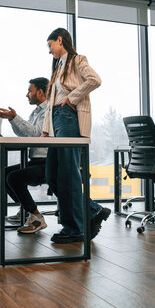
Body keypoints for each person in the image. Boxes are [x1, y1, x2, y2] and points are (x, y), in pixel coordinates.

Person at [43, 28, 111, 244]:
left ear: (60, 40)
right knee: (52, 175)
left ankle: (73, 228)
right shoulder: (56, 68)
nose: (49, 50)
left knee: (68, 174)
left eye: (50, 45)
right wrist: (46, 128)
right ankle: (92, 209)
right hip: (55, 120)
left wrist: (72, 98)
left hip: (68, 117)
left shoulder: (77, 60)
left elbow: (95, 80)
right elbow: (51, 102)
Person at [0, 77, 49, 234]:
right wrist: (12, 120)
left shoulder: (48, 111)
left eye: (30, 91)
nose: (27, 95)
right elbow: (25, 133)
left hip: (47, 162)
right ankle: (26, 209)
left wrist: (14, 117)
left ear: (40, 92)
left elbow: (35, 134)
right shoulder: (37, 111)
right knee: (1, 174)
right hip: (35, 161)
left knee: (13, 178)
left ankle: (36, 216)